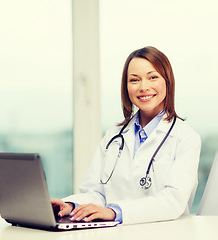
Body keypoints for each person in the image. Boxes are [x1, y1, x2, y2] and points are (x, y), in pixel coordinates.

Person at [51, 46, 201, 225]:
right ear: (126, 87)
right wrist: (71, 205)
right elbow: (96, 192)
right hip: (115, 233)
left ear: (168, 81)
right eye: (134, 80)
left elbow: (173, 201)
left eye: (153, 77)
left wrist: (114, 212)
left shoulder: (186, 138)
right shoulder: (113, 136)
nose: (144, 87)